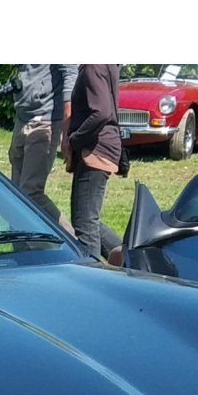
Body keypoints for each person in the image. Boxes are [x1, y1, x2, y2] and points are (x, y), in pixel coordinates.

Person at [6, 64, 78, 232]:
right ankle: (21, 254)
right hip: (22, 119)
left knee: (31, 193)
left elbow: (71, 72)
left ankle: (73, 242)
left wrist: (66, 130)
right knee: (14, 194)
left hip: (45, 121)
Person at [64, 63, 123, 262]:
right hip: (103, 147)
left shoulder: (92, 66)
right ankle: (126, 255)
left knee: (84, 223)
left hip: (95, 149)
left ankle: (92, 277)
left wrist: (74, 139)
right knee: (88, 218)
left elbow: (102, 112)